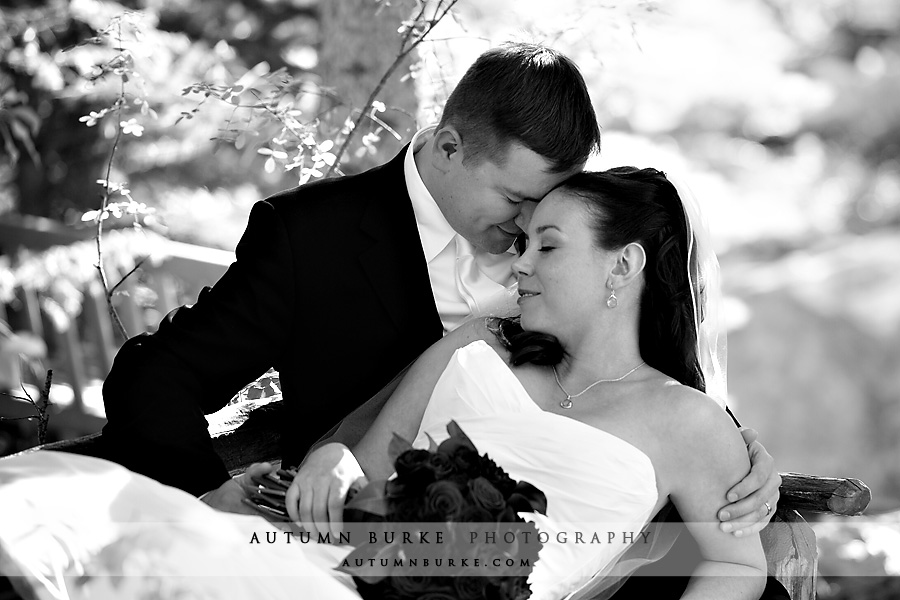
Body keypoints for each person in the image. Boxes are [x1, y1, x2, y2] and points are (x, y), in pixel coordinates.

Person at [98, 42, 780, 541]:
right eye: (515, 199)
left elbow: (644, 369)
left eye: (547, 212)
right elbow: (157, 374)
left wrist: (743, 452)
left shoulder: (562, 250)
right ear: (449, 147)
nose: (526, 234)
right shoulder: (311, 238)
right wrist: (207, 497)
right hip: (356, 547)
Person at [0, 168, 768, 600]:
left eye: (547, 245)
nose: (522, 263)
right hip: (335, 555)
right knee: (102, 513)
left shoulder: (691, 423)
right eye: (523, 240)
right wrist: (335, 464)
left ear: (623, 266)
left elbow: (737, 564)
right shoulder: (482, 343)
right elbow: (364, 463)